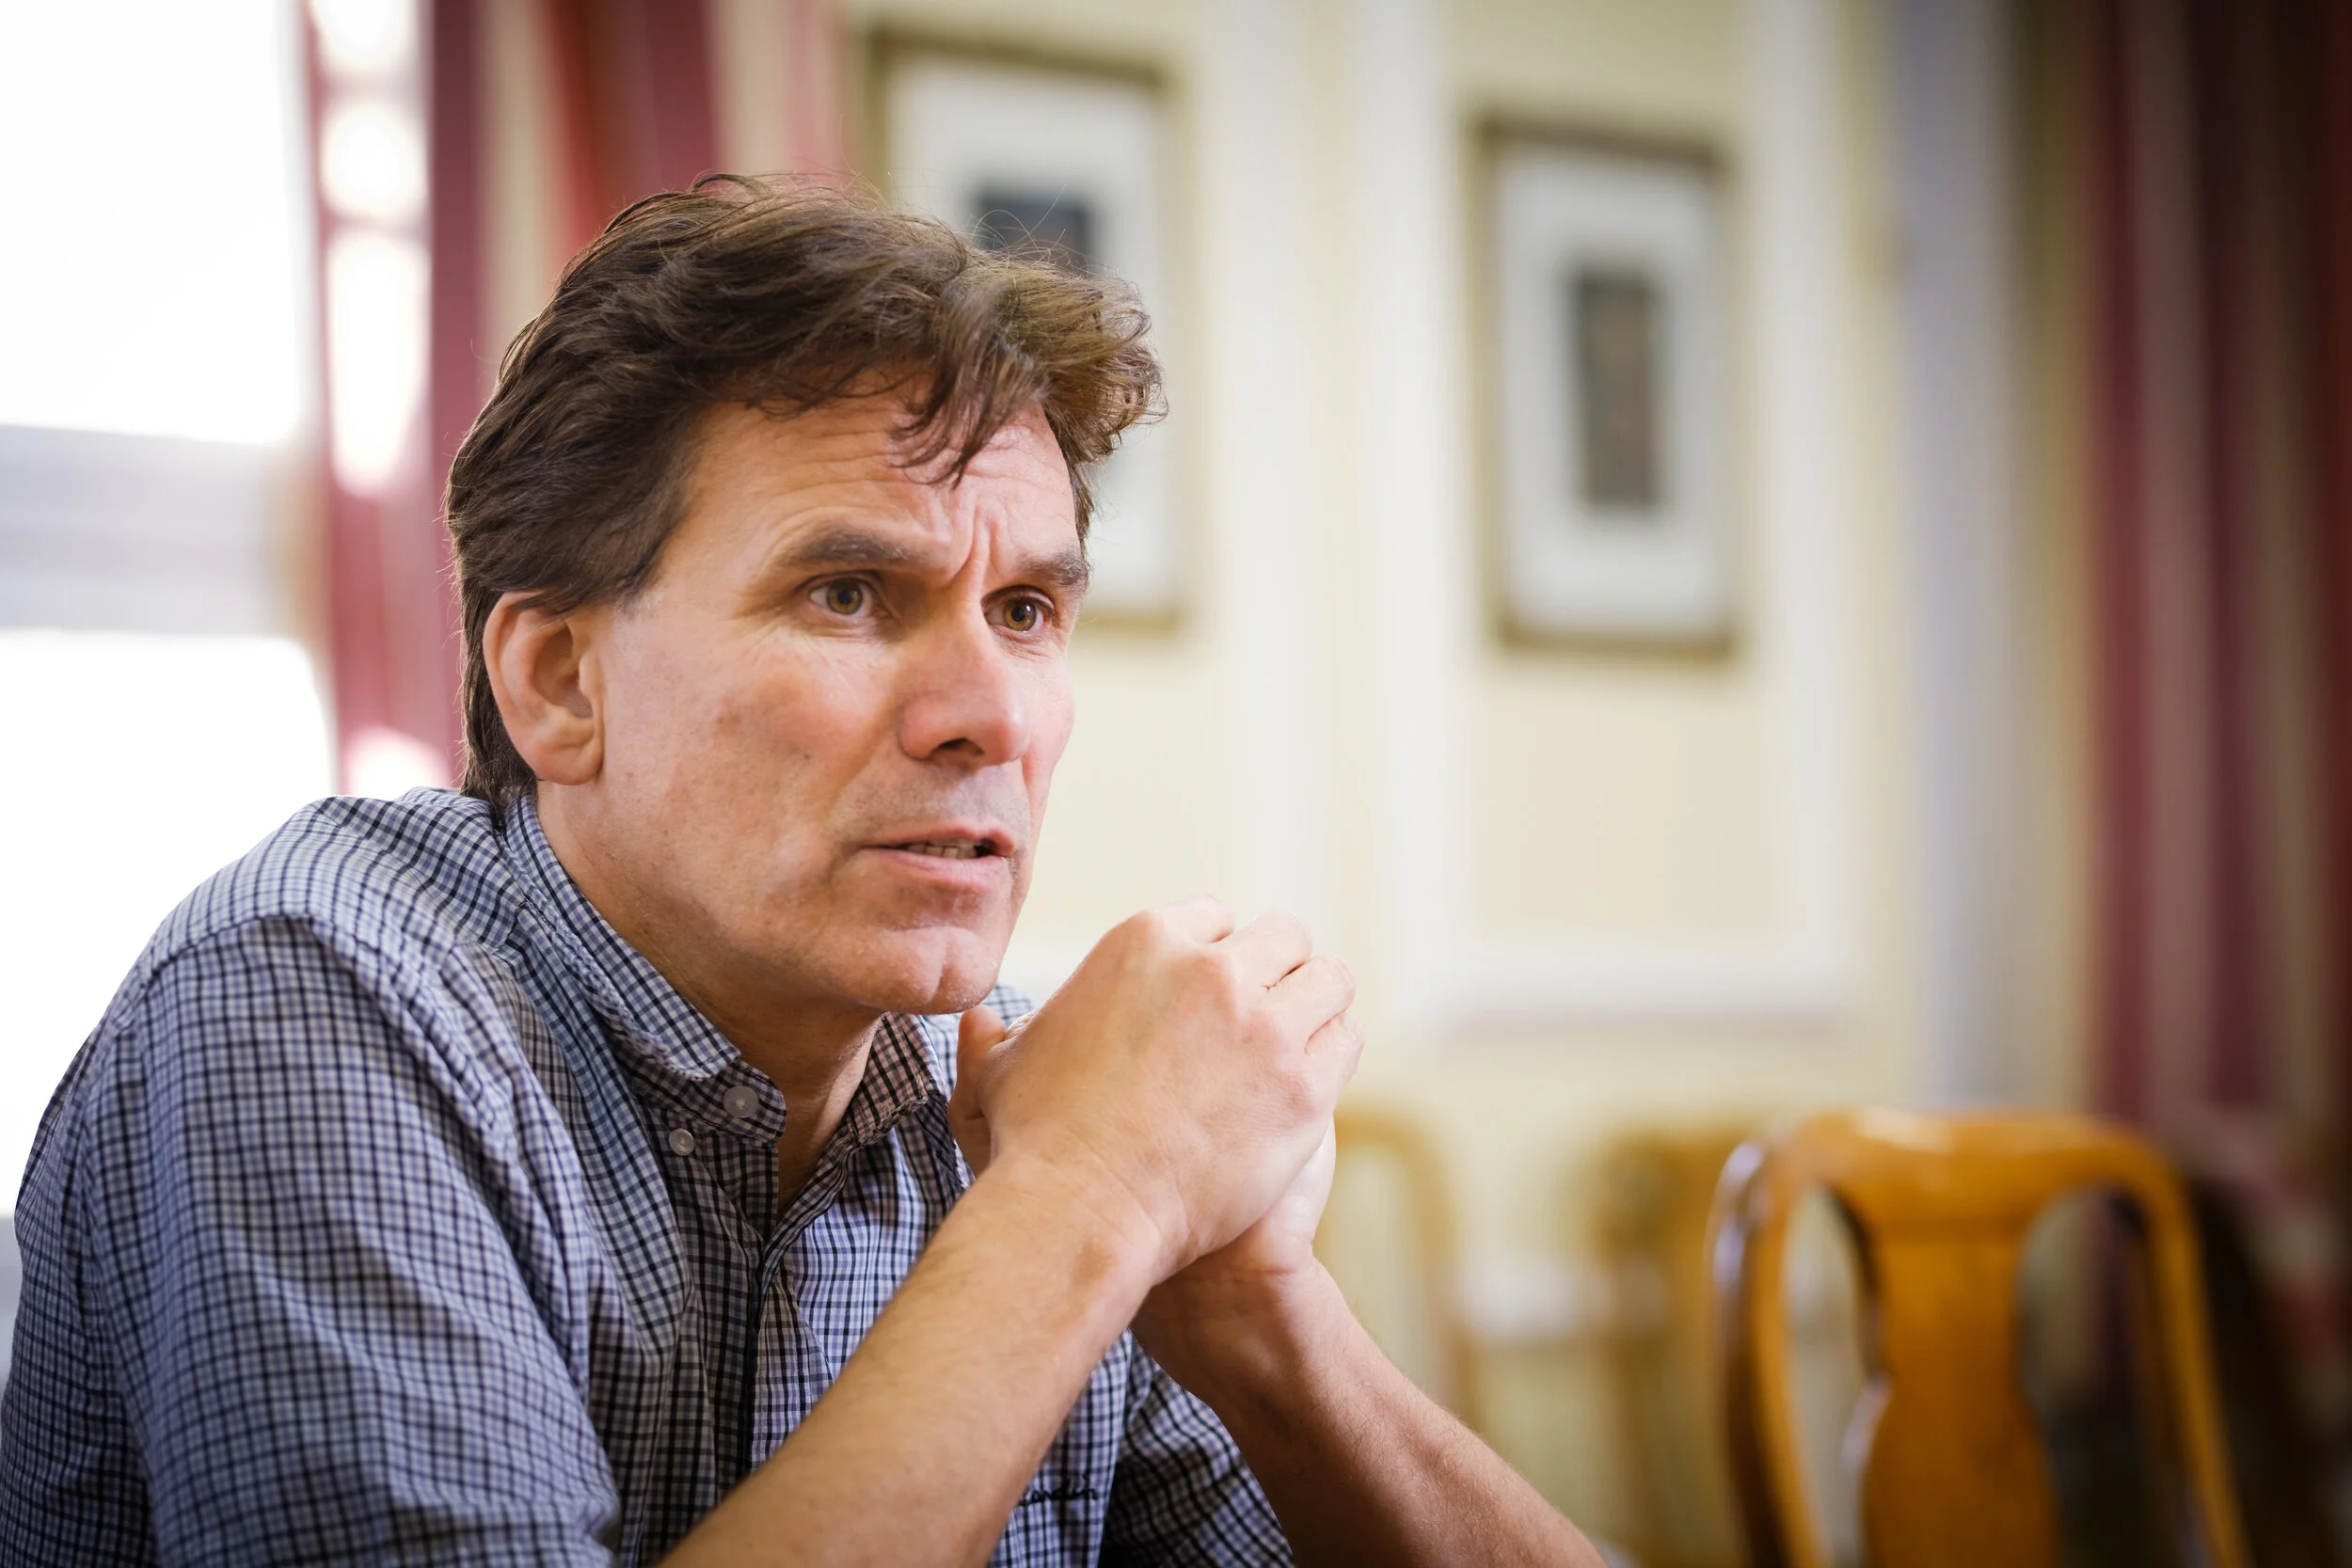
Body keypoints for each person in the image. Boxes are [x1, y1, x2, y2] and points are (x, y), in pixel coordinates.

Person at [0, 177, 1598, 1567]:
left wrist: (1259, 1314)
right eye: (849, 593)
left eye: (1027, 612)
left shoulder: (1022, 1089)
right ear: (559, 681)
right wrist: (1087, 1201)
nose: (990, 714)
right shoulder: (305, 998)